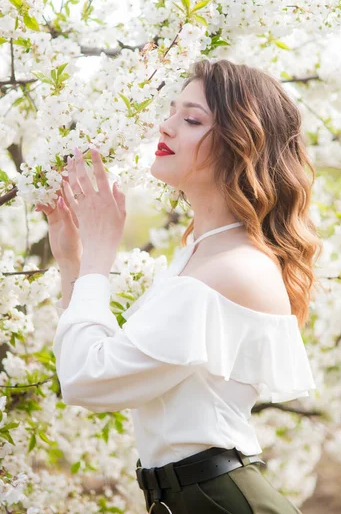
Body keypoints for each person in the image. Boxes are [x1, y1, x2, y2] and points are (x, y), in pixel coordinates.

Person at [41, 58, 322, 513]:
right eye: (171, 112)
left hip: (220, 500)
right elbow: (101, 365)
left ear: (241, 144)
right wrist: (73, 262)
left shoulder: (233, 269)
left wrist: (99, 254)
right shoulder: (200, 253)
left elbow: (84, 382)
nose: (165, 127)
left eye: (191, 119)